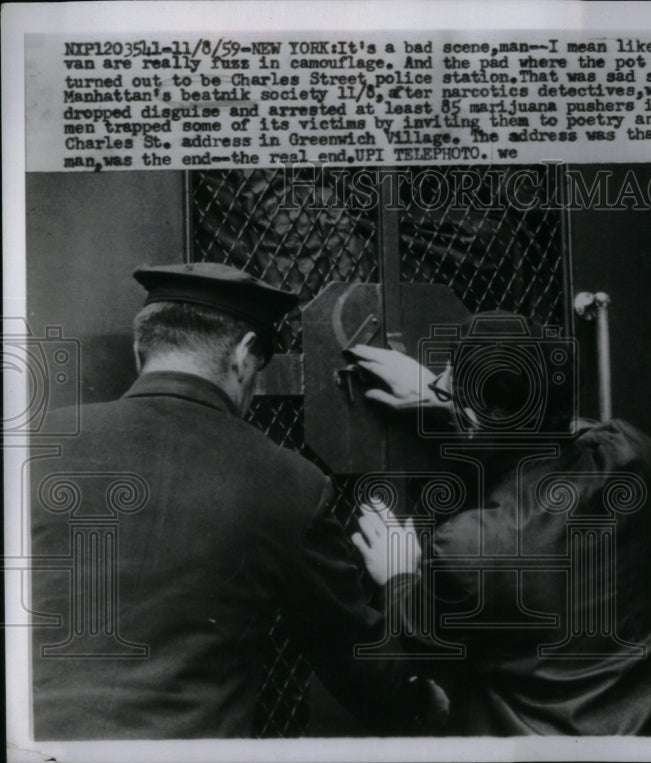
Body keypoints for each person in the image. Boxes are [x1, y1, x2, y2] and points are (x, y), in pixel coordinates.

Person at [31, 262, 446, 739]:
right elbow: (361, 666)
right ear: (245, 354)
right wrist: (403, 591)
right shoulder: (288, 481)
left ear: (138, 348)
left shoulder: (34, 443)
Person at [347, 311, 651, 735]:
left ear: (473, 420)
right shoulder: (636, 457)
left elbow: (422, 640)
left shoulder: (473, 546)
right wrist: (452, 402)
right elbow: (571, 431)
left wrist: (398, 575)